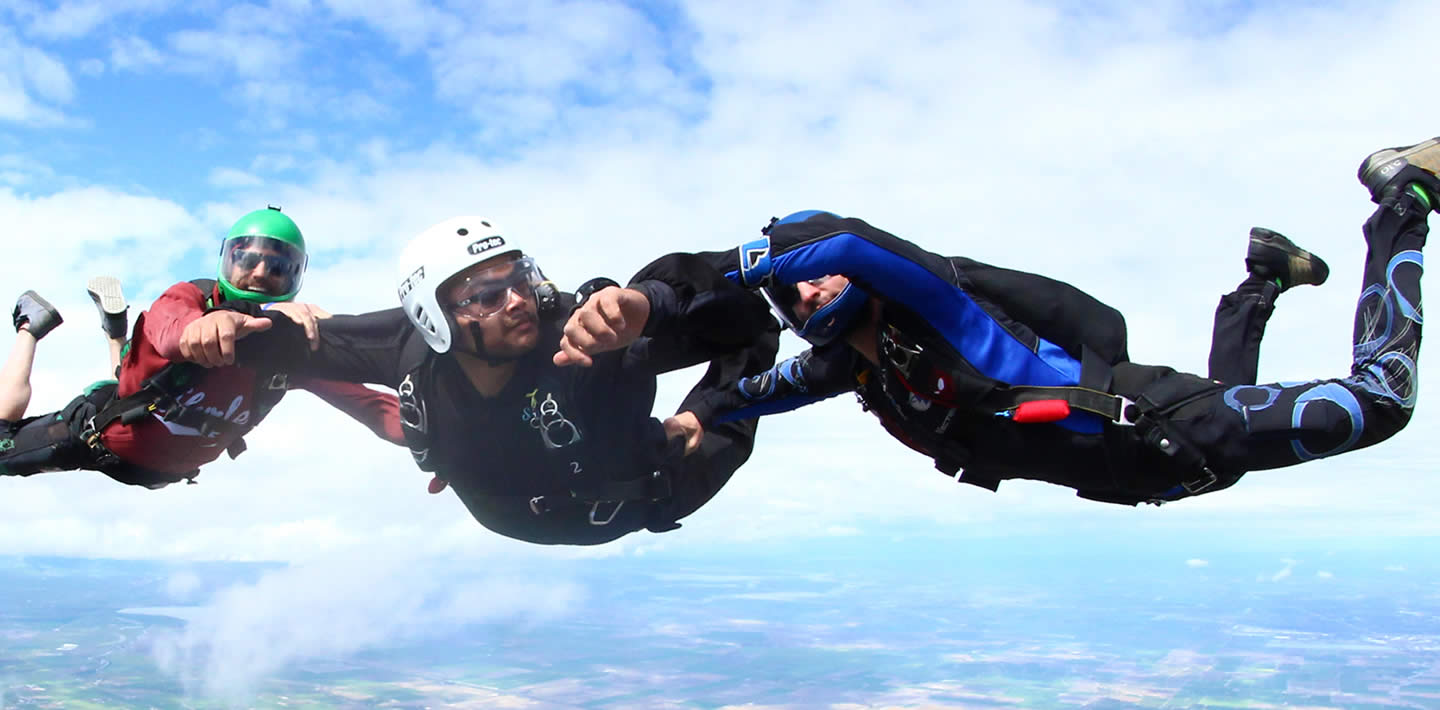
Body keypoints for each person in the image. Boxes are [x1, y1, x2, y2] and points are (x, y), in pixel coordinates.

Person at [699, 138, 1436, 506]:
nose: (814, 290)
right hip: (1164, 467)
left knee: (1378, 402)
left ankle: (1402, 203)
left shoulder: (934, 304)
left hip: (1160, 422)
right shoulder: (864, 371)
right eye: (797, 295)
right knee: (1235, 446)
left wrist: (727, 270)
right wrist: (686, 423)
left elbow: (849, 240)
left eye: (816, 274)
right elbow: (756, 393)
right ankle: (1263, 279)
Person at [176, 216, 780, 545]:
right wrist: (217, 321)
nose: (517, 301)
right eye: (487, 295)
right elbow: (275, 343)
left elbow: (750, 323)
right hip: (500, 506)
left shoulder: (586, 337)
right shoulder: (406, 348)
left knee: (721, 345)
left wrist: (702, 404)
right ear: (434, 318)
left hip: (638, 492)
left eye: (520, 279)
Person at [0, 206, 403, 487]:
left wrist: (443, 441)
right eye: (248, 259)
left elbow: (373, 407)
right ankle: (30, 326)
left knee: (135, 379)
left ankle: (116, 330)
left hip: (156, 460)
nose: (260, 272)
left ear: (295, 276)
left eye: (277, 267)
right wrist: (211, 325)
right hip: (93, 438)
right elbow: (170, 330)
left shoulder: (291, 349)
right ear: (227, 259)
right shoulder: (187, 298)